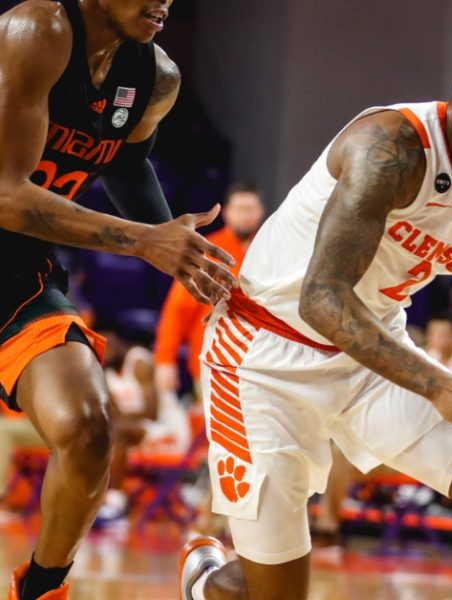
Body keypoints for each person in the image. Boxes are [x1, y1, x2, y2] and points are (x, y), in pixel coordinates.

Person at [178, 13, 452, 600]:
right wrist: (440, 385)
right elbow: (321, 297)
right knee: (275, 593)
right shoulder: (390, 148)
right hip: (262, 356)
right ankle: (207, 583)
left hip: (374, 358)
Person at [0, 1, 237, 598]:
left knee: (88, 430)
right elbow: (5, 193)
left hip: (19, 277)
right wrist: (144, 241)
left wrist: (180, 253)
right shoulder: (39, 30)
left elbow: (127, 166)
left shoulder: (156, 76)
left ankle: (40, 591)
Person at [153, 183, 266, 398]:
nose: (246, 216)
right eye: (240, 209)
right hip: (214, 361)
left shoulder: (268, 251)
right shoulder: (207, 251)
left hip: (261, 363)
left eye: (251, 209)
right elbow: (178, 309)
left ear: (261, 212)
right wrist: (165, 359)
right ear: (227, 212)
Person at [96, 325, 190, 525]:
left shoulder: (138, 361)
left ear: (119, 342)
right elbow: (113, 417)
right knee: (99, 433)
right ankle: (101, 500)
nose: (106, 352)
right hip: (140, 435)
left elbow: (151, 412)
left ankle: (116, 502)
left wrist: (120, 421)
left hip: (168, 431)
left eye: (109, 345)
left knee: (118, 431)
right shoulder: (106, 375)